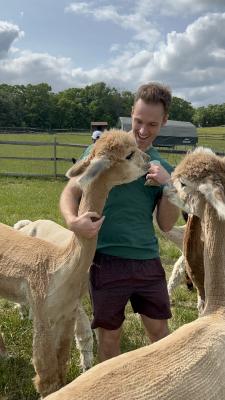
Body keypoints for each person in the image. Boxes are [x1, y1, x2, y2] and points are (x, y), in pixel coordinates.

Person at [59, 82, 180, 362]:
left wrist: (169, 185)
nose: (142, 131)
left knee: (160, 334)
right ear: (131, 113)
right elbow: (71, 190)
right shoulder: (104, 151)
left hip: (147, 260)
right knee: (110, 339)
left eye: (152, 123)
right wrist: (72, 220)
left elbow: (164, 223)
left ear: (164, 121)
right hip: (106, 259)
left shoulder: (160, 166)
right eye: (138, 121)